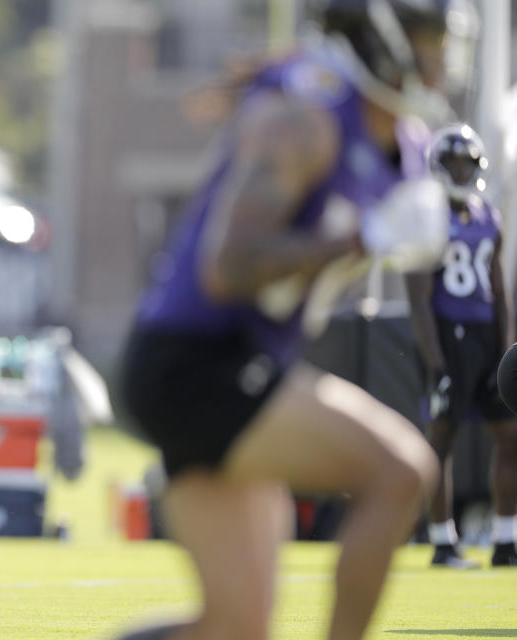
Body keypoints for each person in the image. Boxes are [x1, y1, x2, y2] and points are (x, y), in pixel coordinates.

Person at [118, 1, 471, 639]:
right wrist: (361, 237)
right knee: (401, 472)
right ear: (388, 41)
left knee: (233, 628)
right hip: (196, 360)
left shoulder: (405, 144)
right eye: (429, 42)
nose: (442, 62)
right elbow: (229, 267)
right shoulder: (305, 121)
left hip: (235, 362)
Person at [405, 124, 517, 569]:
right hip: (446, 335)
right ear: (438, 167)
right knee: (441, 440)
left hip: (486, 337)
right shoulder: (425, 218)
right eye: (453, 164)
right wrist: (436, 362)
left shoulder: (489, 217)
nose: (460, 171)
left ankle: (506, 540)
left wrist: (506, 345)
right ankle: (441, 541)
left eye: (466, 164)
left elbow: (498, 289)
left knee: (510, 437)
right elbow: (417, 297)